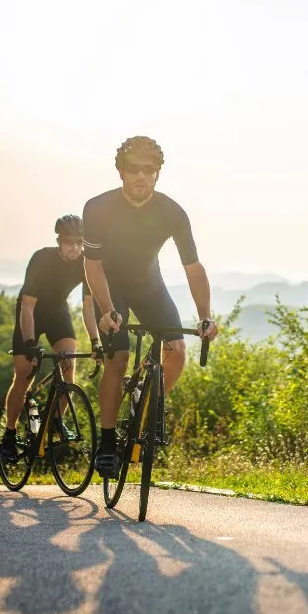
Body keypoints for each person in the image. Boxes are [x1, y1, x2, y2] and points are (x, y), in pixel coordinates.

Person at [82, 136, 219, 478]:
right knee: (119, 357)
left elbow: (193, 267)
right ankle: (109, 442)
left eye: (149, 170)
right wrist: (107, 309)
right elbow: (93, 265)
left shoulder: (171, 212)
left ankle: (146, 409)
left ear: (157, 173)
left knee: (176, 350)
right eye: (134, 169)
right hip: (111, 288)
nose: (141, 176)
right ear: (121, 172)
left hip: (149, 288)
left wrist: (205, 317)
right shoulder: (97, 208)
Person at [0, 215, 101, 462]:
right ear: (59, 241)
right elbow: (27, 306)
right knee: (24, 373)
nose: (75, 248)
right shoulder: (41, 259)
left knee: (68, 368)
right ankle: (9, 434)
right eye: (69, 243)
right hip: (31, 312)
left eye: (79, 242)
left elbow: (88, 308)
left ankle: (55, 420)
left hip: (57, 312)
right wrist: (31, 343)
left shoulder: (86, 264)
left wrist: (96, 341)